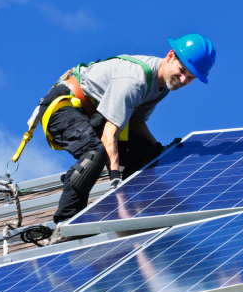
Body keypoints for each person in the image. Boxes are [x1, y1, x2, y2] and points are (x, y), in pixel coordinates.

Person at [38, 33, 216, 244]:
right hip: (63, 106)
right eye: (182, 70)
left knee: (147, 154)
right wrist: (115, 179)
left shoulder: (162, 87)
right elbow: (109, 135)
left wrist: (157, 148)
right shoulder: (135, 80)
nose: (184, 79)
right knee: (95, 153)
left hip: (94, 115)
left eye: (191, 77)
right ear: (170, 56)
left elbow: (137, 122)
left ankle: (141, 209)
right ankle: (66, 224)